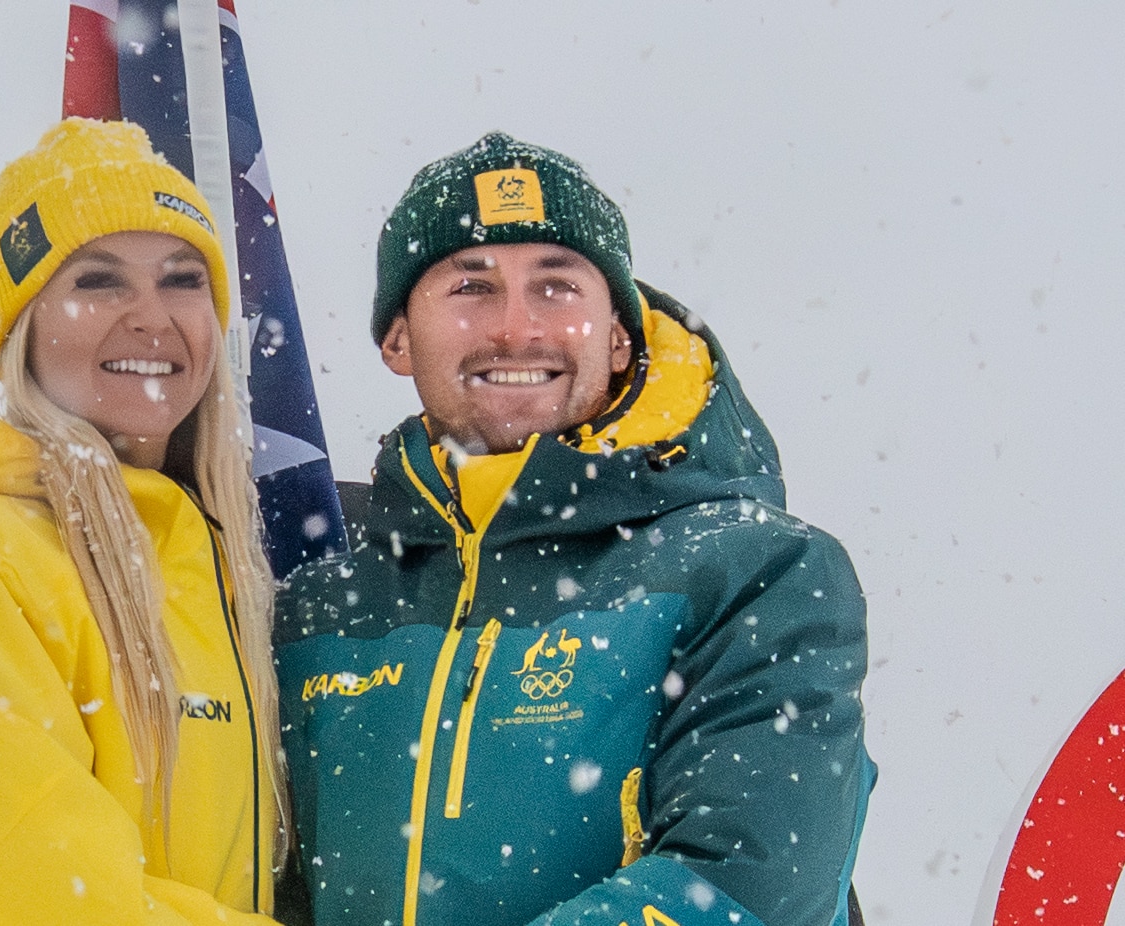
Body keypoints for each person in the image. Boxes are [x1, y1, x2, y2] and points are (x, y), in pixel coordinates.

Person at [273, 133, 874, 926]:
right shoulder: (318, 600)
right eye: (470, 287)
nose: (517, 328)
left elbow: (745, 886)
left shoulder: (754, 568)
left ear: (620, 335)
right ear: (396, 339)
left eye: (556, 287)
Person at [0, 118, 293, 925]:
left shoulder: (209, 562)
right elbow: (37, 903)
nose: (150, 317)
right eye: (98, 282)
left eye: (182, 279)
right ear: (22, 330)